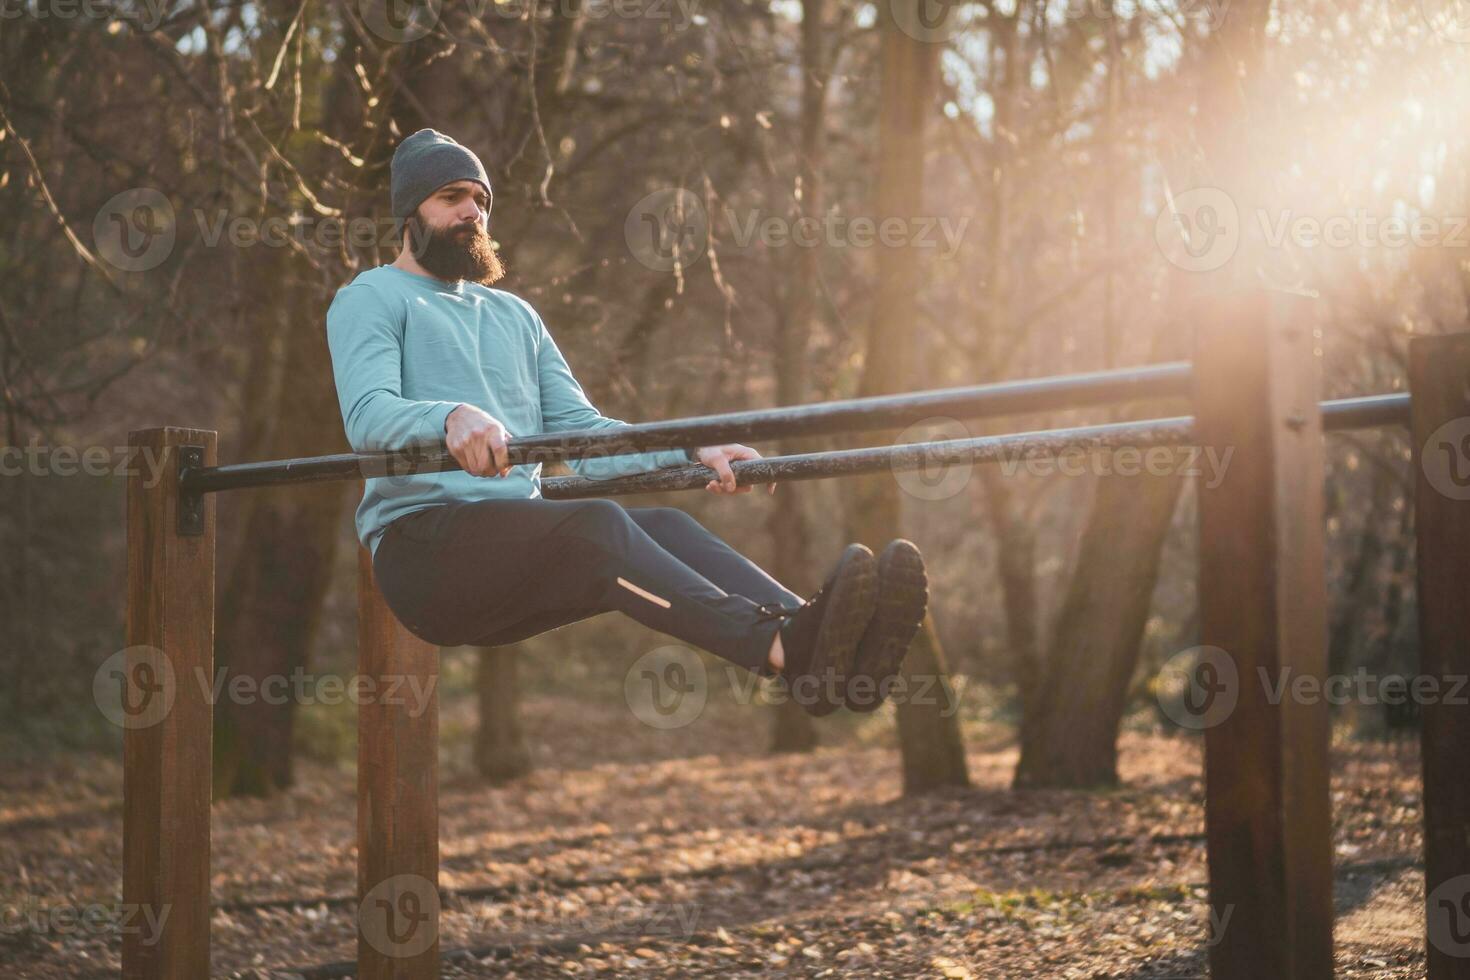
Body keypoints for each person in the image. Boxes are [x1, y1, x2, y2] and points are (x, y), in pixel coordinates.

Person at [326, 128, 928, 715]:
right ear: (410, 211)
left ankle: (825, 652)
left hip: (512, 544)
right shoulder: (372, 297)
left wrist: (693, 449)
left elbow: (585, 438)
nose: (472, 212)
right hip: (424, 553)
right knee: (598, 525)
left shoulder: (516, 316)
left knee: (665, 524)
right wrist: (450, 414)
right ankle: (780, 649)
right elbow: (367, 416)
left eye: (481, 200)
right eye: (451, 197)